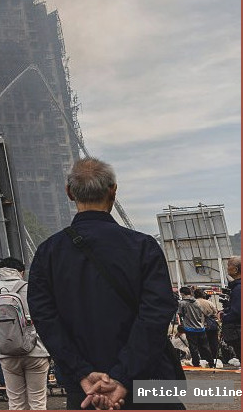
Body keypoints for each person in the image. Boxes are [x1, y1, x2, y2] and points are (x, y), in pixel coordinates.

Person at [27, 158, 184, 410]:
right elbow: (155, 315)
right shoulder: (143, 247)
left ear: (69, 193)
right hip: (149, 382)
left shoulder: (48, 253)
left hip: (86, 392)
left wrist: (82, 373)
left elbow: (45, 319)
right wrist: (122, 376)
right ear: (113, 190)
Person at [0, 257, 50, 410]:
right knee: (37, 402)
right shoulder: (31, 288)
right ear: (21, 272)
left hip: (6, 353)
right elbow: (45, 318)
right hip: (36, 351)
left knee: (16, 403)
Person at [177, 286, 215, 368]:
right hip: (201, 328)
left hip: (190, 328)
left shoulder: (182, 303)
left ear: (182, 293)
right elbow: (205, 313)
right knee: (205, 347)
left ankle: (196, 364)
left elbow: (180, 314)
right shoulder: (197, 302)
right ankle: (211, 363)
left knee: (193, 347)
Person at [193, 288, 222, 368]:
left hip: (198, 326)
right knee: (213, 343)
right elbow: (215, 312)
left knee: (201, 344)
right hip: (211, 326)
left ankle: (204, 359)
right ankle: (214, 359)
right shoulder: (209, 302)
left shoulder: (193, 303)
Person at [222, 256, 241, 360]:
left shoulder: (238, 288)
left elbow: (237, 312)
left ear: (236, 269)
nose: (227, 268)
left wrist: (224, 316)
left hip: (238, 331)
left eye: (229, 265)